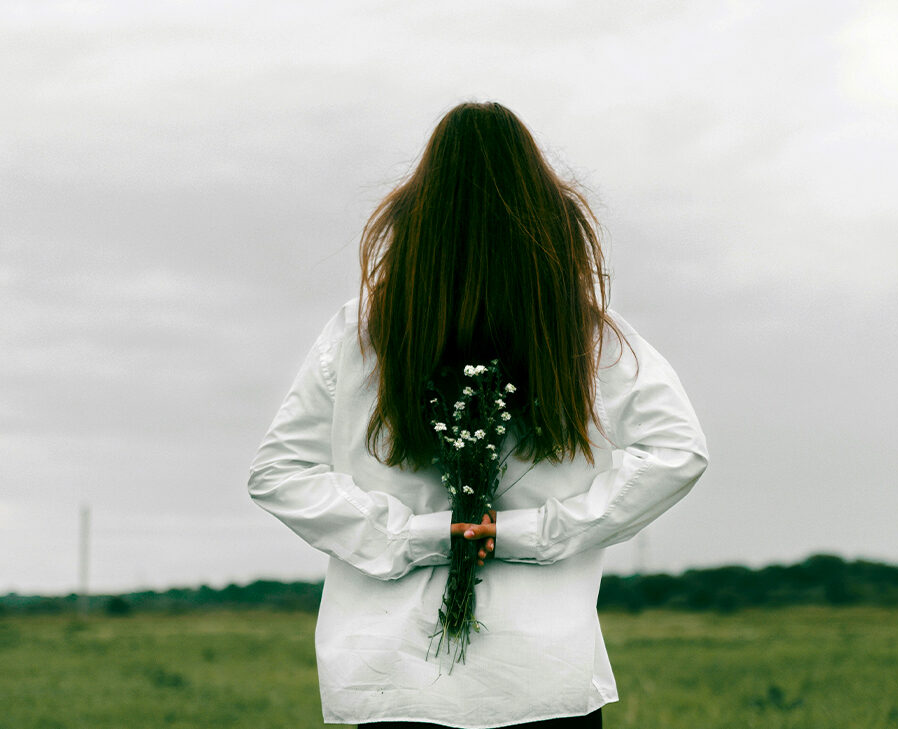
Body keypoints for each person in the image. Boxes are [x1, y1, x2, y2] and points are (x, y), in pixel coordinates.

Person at [248, 101, 708, 729]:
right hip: (541, 677)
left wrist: (412, 537)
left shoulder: (364, 331)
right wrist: (540, 534)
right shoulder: (586, 334)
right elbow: (678, 452)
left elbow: (280, 473)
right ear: (546, 214)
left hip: (394, 678)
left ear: (419, 216)